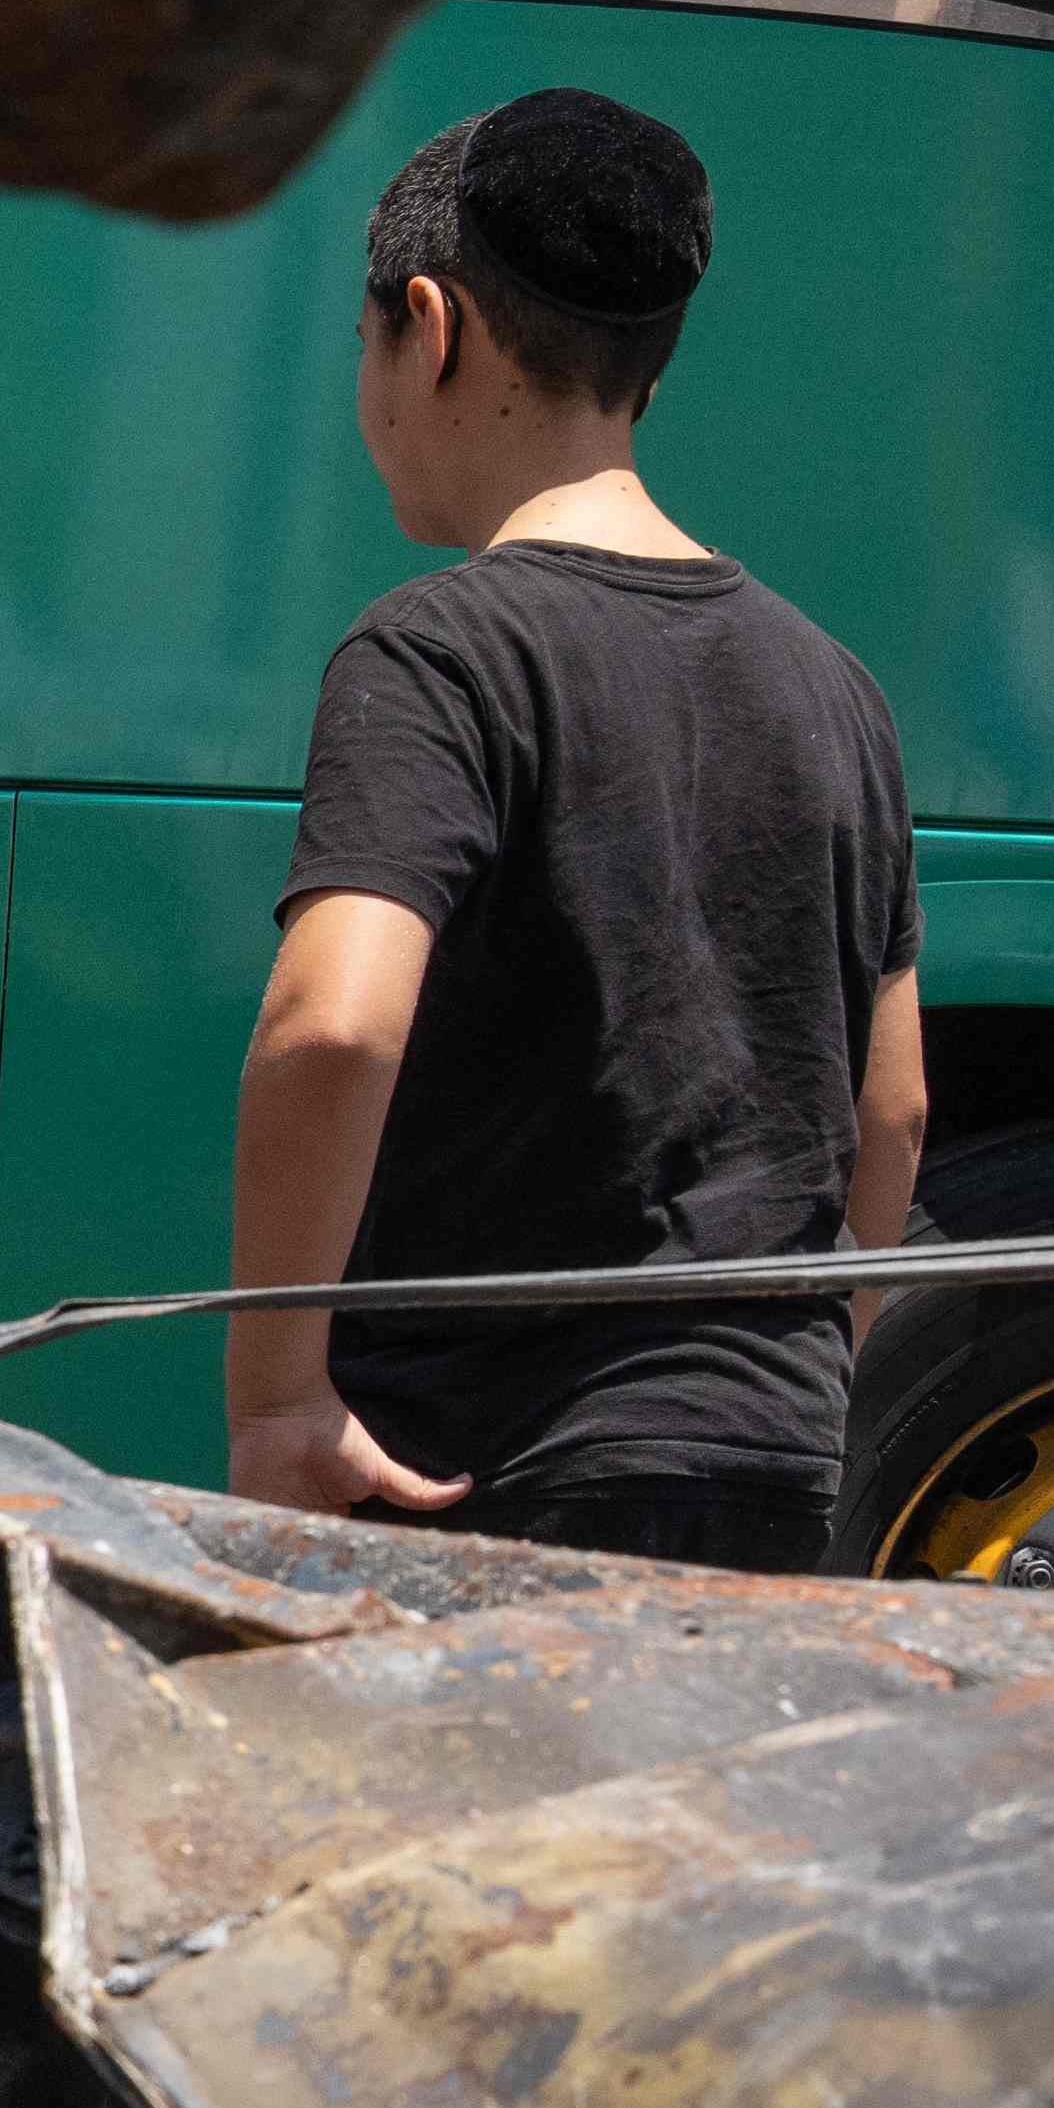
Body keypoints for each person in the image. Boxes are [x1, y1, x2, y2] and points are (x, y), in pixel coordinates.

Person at [221, 88, 923, 1564]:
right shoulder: (836, 688)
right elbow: (893, 1110)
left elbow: (335, 1026)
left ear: (434, 325)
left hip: (493, 1471)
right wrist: (792, 1381)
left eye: (365, 343)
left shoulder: (438, 653)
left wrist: (278, 1401)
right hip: (776, 1458)